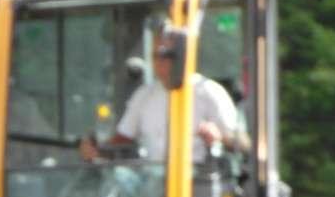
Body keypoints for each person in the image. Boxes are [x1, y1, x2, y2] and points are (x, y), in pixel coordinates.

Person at [80, 39, 239, 164]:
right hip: (153, 184)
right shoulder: (145, 94)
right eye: (155, 56)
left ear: (183, 55)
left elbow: (241, 145)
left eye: (165, 55)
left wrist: (219, 137)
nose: (159, 62)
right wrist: (98, 150)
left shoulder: (208, 91)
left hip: (197, 183)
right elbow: (123, 138)